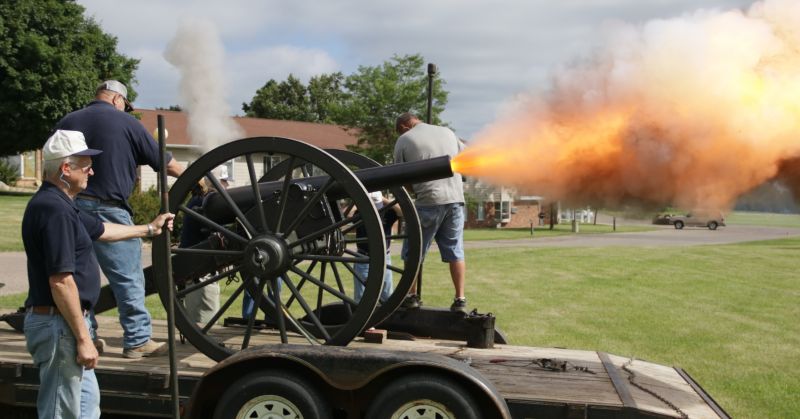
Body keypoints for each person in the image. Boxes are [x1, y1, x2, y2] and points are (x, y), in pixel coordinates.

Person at [23, 130, 173, 418]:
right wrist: (82, 338)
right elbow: (61, 281)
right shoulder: (54, 210)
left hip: (67, 324)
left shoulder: (64, 205)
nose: (92, 170)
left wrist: (149, 229)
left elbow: (102, 230)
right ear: (66, 169)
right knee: (61, 412)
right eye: (85, 165)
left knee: (86, 410)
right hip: (60, 325)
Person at [55, 80, 184, 358]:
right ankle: (137, 340)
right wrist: (198, 180)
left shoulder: (68, 120)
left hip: (69, 206)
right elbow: (166, 163)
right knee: (128, 278)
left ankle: (87, 335)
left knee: (78, 276)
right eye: (125, 105)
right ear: (117, 100)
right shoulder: (127, 123)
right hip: (110, 208)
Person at [393, 112, 468, 313]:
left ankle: (411, 296)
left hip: (429, 201)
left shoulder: (404, 139)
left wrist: (414, 190)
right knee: (455, 251)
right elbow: (466, 157)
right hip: (455, 199)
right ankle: (460, 299)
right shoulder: (448, 132)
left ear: (404, 126)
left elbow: (399, 176)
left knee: (414, 252)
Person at [180, 166, 230, 323]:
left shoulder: (203, 200)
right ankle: (201, 339)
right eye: (223, 182)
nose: (226, 186)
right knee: (205, 306)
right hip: (198, 267)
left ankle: (204, 337)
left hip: (200, 264)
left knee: (207, 305)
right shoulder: (205, 202)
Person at [353, 191, 401, 303]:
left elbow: (403, 212)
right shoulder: (359, 213)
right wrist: (359, 201)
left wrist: (384, 200)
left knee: (387, 296)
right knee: (361, 298)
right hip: (363, 258)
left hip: (384, 258)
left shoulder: (388, 213)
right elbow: (346, 216)